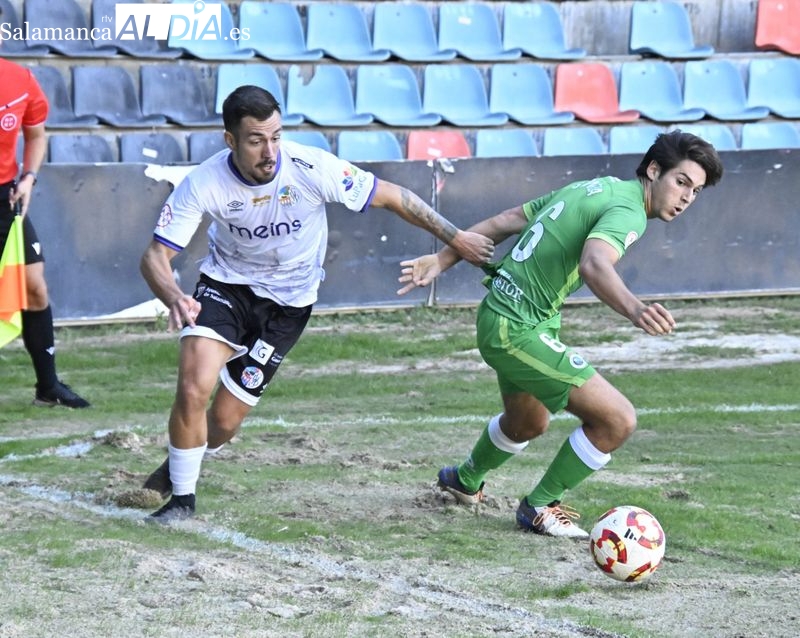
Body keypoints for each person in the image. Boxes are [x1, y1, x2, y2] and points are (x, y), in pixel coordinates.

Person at [140, 85, 494, 523]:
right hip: (226, 287)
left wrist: (454, 238)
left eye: (275, 136)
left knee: (226, 423)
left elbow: (392, 195)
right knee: (194, 385)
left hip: (289, 306)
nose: (270, 151)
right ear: (230, 140)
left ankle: (180, 461)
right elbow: (155, 255)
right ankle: (182, 502)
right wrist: (174, 296)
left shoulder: (310, 166)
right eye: (255, 141)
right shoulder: (204, 183)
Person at [397, 130, 723, 537]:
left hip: (506, 315)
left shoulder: (597, 186)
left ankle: (465, 480)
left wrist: (444, 258)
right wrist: (635, 308)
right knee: (617, 420)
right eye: (681, 182)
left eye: (696, 191)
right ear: (654, 170)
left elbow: (509, 220)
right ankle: (539, 506)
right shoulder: (629, 211)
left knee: (527, 423)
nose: (687, 198)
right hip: (516, 329)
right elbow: (594, 265)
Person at [0, 57, 90, 408]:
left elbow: (35, 134)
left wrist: (28, 178)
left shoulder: (19, 79)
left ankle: (47, 386)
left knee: (35, 287)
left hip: (5, 198)